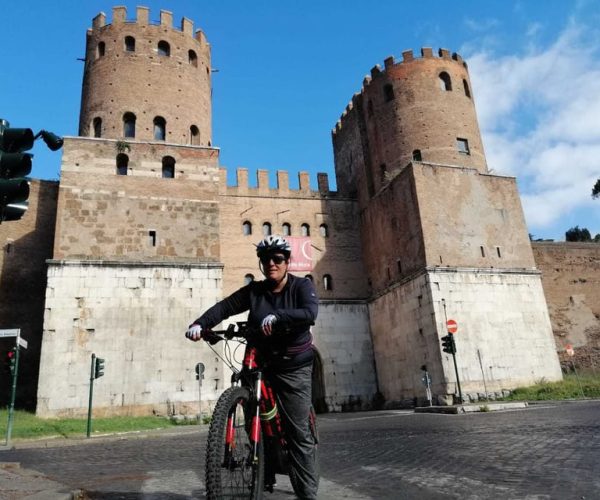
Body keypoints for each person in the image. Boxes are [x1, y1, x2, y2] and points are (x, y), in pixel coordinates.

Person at [185, 235, 319, 499]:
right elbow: (225, 307)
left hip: (294, 367)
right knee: (251, 416)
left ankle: (307, 494)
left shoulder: (300, 286)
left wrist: (279, 316)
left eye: (277, 258)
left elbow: (309, 313)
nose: (271, 263)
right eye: (265, 259)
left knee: (298, 433)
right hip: (262, 361)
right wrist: (200, 324)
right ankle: (263, 466)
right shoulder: (255, 291)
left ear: (287, 262)